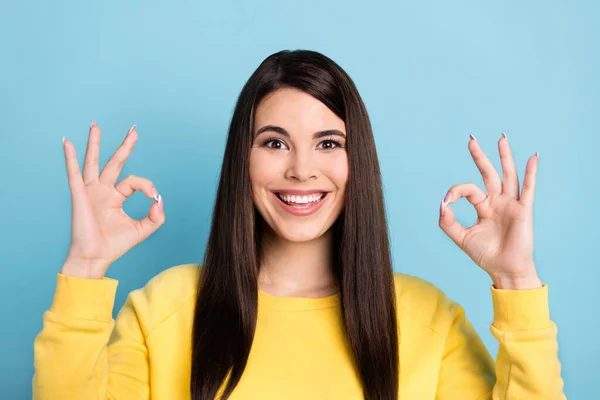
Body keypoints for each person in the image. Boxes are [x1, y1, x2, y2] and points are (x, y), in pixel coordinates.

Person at [32, 49, 565, 399]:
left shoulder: (430, 321)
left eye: (328, 143)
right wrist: (85, 268)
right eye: (274, 142)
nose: (301, 168)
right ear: (243, 159)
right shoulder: (162, 310)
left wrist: (517, 281)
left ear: (360, 163)